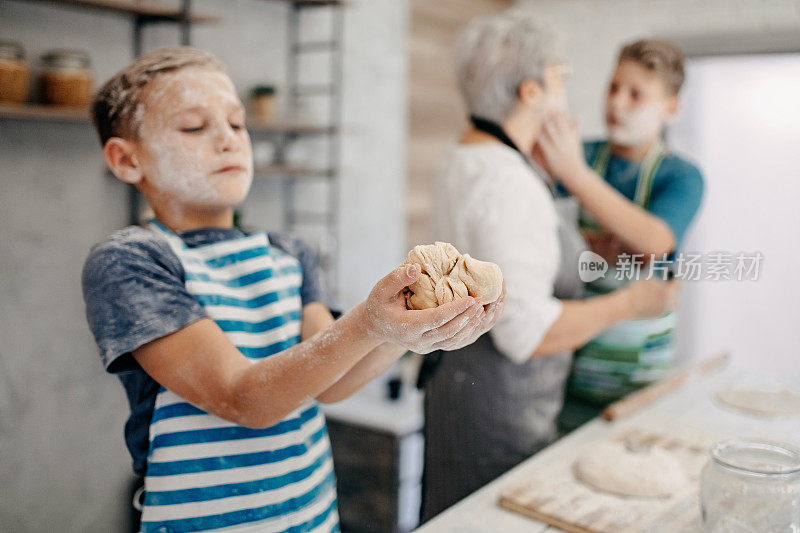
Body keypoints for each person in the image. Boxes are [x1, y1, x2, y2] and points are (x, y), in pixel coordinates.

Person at [81, 47, 504, 533]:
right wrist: (369, 321)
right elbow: (242, 399)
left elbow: (331, 383)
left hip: (310, 518)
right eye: (195, 127)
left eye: (237, 124)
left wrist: (405, 334)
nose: (227, 141)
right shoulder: (132, 262)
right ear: (126, 160)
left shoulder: (287, 254)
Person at [421, 13, 678, 521]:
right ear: (531, 92)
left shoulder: (466, 154)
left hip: (455, 392)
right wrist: (631, 302)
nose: (570, 92)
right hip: (499, 413)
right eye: (560, 78)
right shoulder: (511, 184)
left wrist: (582, 246)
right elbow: (528, 335)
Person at [536, 39, 704, 403]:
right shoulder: (583, 154)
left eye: (636, 94)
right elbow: (532, 222)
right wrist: (586, 242)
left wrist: (576, 176)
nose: (616, 102)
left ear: (671, 108)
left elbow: (657, 241)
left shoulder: (682, 176)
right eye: (613, 87)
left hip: (639, 379)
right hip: (567, 369)